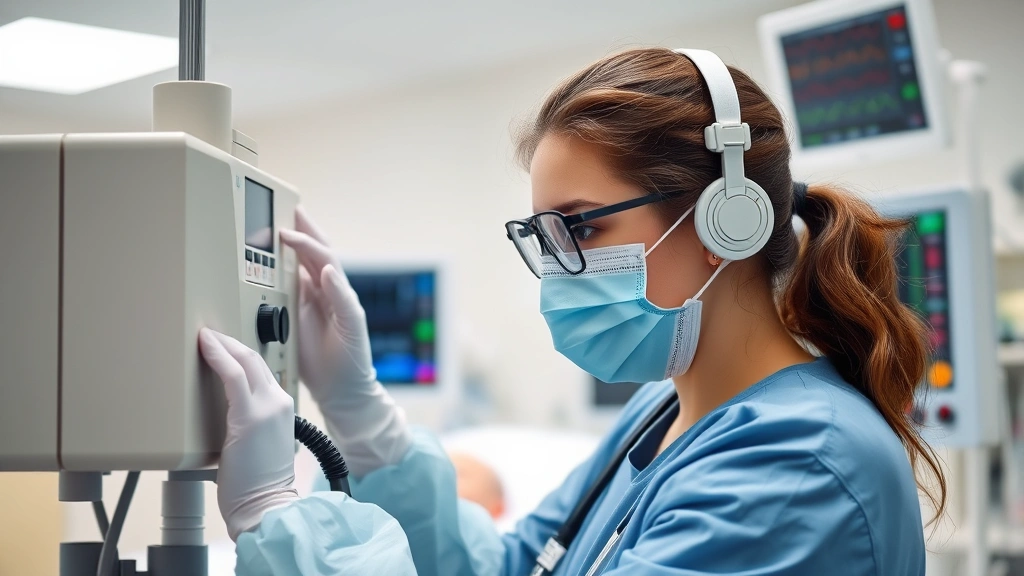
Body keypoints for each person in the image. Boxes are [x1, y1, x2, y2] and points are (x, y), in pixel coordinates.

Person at [197, 47, 946, 575]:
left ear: (727, 221)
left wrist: (285, 524)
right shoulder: (662, 412)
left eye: (581, 228)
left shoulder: (799, 464)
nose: (558, 270)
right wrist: (365, 424)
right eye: (544, 237)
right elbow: (513, 567)